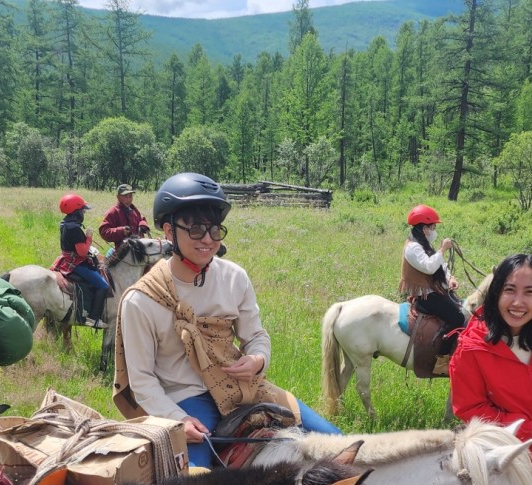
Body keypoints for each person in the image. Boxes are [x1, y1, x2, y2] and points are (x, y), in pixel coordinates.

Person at [113, 171, 340, 467]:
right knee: (197, 479)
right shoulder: (141, 300)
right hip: (185, 398)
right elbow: (142, 381)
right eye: (195, 230)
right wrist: (178, 419)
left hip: (243, 389)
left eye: (215, 230)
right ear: (169, 231)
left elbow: (256, 337)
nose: (208, 240)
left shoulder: (234, 277)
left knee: (337, 441)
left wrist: (258, 359)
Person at [450, 253, 532, 485]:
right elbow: (470, 409)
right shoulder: (472, 349)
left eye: (529, 292)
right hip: (513, 453)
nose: (518, 302)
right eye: (509, 290)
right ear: (496, 293)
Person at [399, 204, 465, 375]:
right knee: (457, 317)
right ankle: (442, 359)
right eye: (433, 227)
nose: (434, 230)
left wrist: (450, 278)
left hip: (436, 292)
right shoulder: (412, 248)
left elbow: (440, 265)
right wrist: (443, 249)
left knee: (463, 308)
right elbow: (429, 267)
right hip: (426, 297)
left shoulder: (424, 244)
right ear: (424, 228)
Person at [51, 193, 108, 329]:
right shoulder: (75, 228)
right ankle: (93, 318)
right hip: (75, 263)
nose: (84, 213)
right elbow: (82, 252)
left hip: (65, 258)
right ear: (76, 212)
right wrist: (88, 237)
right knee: (103, 285)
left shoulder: (65, 224)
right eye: (83, 210)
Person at [99, 184, 150, 250]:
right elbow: (104, 231)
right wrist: (121, 231)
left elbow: (141, 218)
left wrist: (143, 225)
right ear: (118, 197)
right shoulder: (113, 212)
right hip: (123, 252)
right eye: (125, 196)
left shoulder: (133, 208)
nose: (128, 199)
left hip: (139, 248)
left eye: (130, 196)